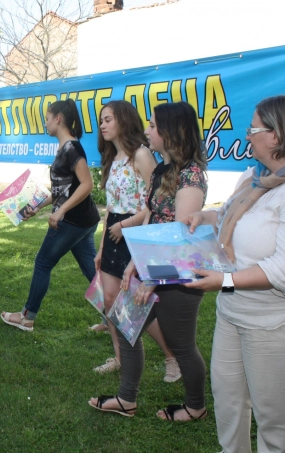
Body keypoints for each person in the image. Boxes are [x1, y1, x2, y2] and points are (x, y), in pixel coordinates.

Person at [184, 95, 285, 452]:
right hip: (234, 313)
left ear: (276, 135)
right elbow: (232, 216)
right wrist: (205, 217)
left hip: (279, 324)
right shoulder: (255, 177)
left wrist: (226, 281)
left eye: (253, 129)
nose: (247, 136)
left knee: (275, 421)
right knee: (229, 406)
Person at [90, 102, 207, 421]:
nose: (147, 130)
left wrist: (152, 279)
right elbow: (151, 217)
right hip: (149, 264)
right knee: (126, 328)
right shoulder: (162, 171)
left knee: (181, 346)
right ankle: (126, 400)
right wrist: (134, 264)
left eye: (153, 125)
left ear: (171, 131)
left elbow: (179, 234)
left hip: (178, 275)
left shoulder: (191, 175)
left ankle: (195, 407)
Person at [92, 100, 181, 383]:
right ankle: (120, 357)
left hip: (136, 231)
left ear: (123, 120)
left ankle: (172, 358)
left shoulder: (141, 154)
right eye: (101, 120)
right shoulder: (112, 158)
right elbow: (110, 208)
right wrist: (102, 247)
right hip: (113, 232)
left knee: (136, 305)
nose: (102, 125)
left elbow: (157, 203)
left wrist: (125, 226)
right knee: (110, 300)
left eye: (108, 119)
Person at [1, 98, 100, 332]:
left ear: (58, 118)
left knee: (43, 262)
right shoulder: (65, 148)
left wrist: (61, 211)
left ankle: (27, 317)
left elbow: (87, 184)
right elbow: (63, 190)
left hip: (72, 221)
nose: (45, 123)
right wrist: (38, 206)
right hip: (83, 221)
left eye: (47, 119)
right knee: (92, 271)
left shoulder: (72, 148)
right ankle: (115, 318)